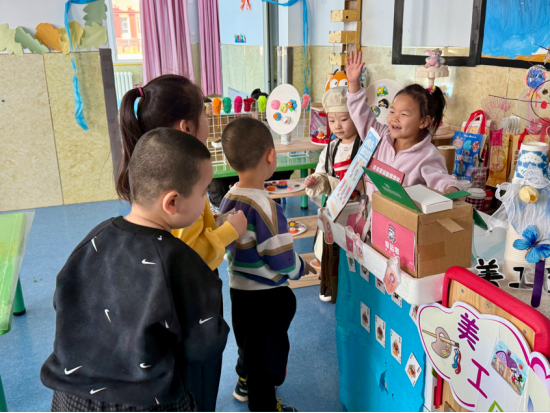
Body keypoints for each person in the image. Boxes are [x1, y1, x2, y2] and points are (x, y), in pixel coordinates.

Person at [41, 129, 230, 413]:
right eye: (204, 192)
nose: (206, 199)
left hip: (70, 398)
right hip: (148, 402)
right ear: (172, 202)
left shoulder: (93, 238)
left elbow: (65, 303)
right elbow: (204, 347)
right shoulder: (183, 263)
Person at [117, 75, 247, 412]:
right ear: (186, 127)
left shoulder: (152, 170)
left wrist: (213, 220)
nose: (208, 120)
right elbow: (192, 256)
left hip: (168, 303)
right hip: (191, 306)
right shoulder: (183, 181)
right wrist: (230, 230)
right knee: (197, 383)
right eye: (204, 113)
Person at [219, 118, 315, 413]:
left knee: (248, 343)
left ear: (229, 161)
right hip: (267, 297)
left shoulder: (228, 197)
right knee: (267, 357)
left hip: (238, 290)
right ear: (271, 156)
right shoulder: (267, 207)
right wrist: (301, 267)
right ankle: (265, 406)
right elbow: (281, 258)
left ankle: (244, 380)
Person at [346, 50, 460, 196]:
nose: (395, 118)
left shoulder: (427, 156)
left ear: (424, 121)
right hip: (373, 211)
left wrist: (451, 189)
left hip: (402, 212)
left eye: (404, 114)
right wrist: (353, 83)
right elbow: (360, 114)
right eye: (392, 111)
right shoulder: (380, 137)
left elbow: (442, 180)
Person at [303, 86, 364, 304]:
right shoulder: (330, 148)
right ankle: (330, 286)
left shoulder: (366, 146)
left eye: (344, 119)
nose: (337, 126)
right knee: (331, 250)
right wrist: (316, 181)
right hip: (335, 208)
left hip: (358, 210)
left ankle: (356, 290)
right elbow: (322, 174)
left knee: (354, 253)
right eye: (331, 120)